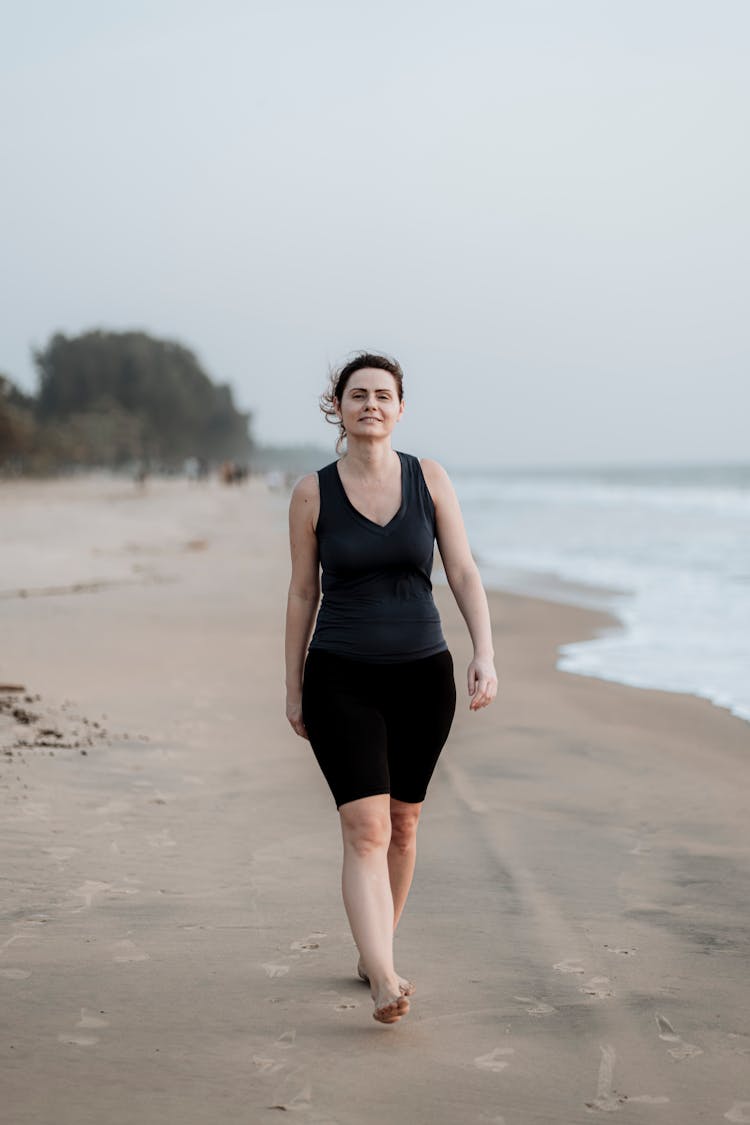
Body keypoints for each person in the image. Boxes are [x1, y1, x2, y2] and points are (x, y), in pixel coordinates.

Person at [284, 352, 497, 1025]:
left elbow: (462, 570)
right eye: (357, 395)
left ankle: (378, 946)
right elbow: (301, 592)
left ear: (400, 408)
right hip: (340, 673)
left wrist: (484, 653)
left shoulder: (429, 478)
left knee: (404, 824)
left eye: (382, 395)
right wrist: (292, 684)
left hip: (422, 674)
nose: (370, 404)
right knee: (365, 824)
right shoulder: (312, 493)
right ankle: (382, 973)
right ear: (338, 408)